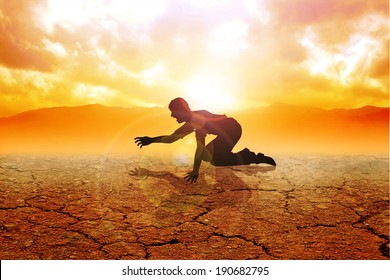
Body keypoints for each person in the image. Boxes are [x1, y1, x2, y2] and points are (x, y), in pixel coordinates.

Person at [134, 97, 276, 183]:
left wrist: (195, 171)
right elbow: (172, 139)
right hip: (224, 132)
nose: (172, 115)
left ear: (181, 111)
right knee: (211, 156)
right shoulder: (190, 122)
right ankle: (243, 155)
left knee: (215, 160)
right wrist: (151, 140)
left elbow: (199, 148)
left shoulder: (197, 120)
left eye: (173, 112)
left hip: (233, 129)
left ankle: (251, 156)